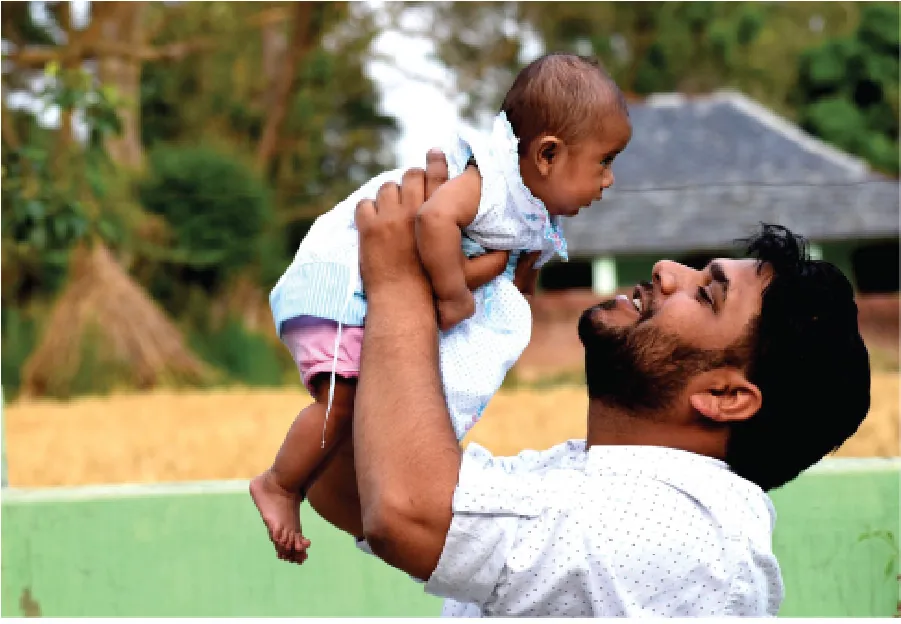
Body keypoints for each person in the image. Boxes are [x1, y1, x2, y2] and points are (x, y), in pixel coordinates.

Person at [325, 153, 871, 616]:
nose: (666, 270)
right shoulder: (585, 475)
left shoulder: (676, 528)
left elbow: (404, 511)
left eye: (706, 295)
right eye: (700, 271)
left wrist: (397, 283)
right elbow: (350, 489)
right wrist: (450, 316)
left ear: (726, 398)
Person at [250, 53, 632, 563]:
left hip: (378, 292)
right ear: (546, 155)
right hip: (342, 289)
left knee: (363, 414)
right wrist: (454, 294)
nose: (608, 180)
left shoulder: (529, 207)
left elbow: (511, 273)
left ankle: (314, 478)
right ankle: (278, 483)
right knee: (341, 405)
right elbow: (432, 219)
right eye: (604, 162)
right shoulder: (491, 182)